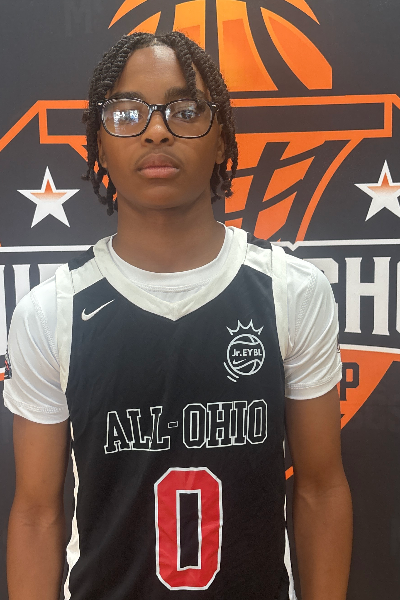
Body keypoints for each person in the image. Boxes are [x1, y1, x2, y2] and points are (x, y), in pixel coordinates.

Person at [4, 31, 352, 600]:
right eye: (128, 113)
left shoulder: (292, 290)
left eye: (184, 110)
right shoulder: (51, 311)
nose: (157, 130)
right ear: (99, 145)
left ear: (222, 140)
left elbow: (320, 488)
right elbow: (38, 514)